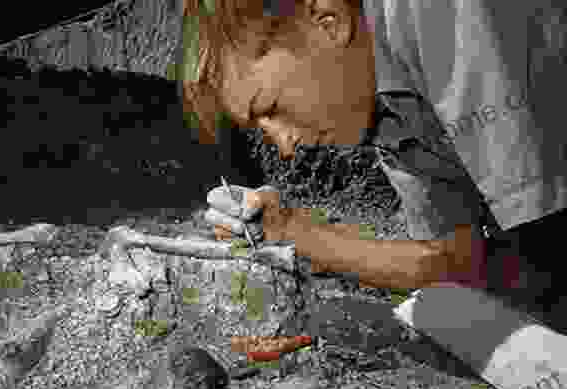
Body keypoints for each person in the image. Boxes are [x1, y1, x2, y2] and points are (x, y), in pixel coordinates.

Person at [174, 0, 567, 327]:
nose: (285, 145)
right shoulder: (382, 109)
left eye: (273, 107)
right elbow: (455, 263)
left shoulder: (437, 13)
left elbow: (546, 245)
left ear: (328, 21)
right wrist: (285, 229)